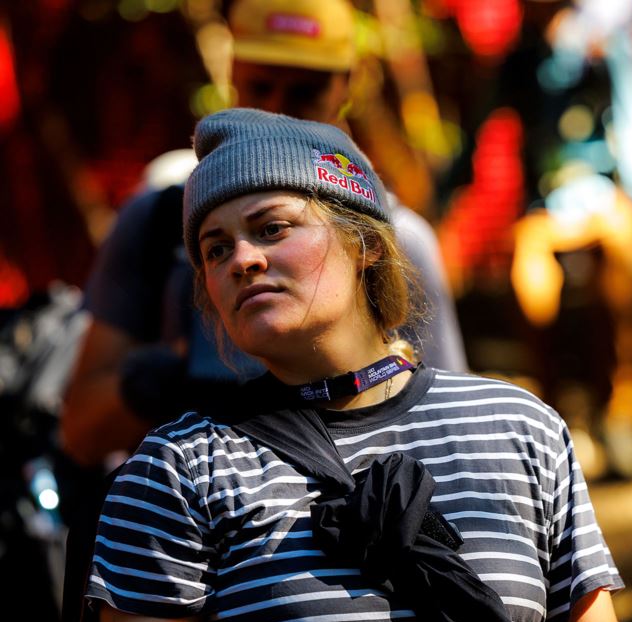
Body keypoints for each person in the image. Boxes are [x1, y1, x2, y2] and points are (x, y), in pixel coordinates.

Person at [85, 108, 632, 622]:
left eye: (272, 228)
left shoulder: (518, 427)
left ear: (366, 245)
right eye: (214, 248)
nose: (241, 259)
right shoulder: (176, 473)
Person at [59, 0, 466, 469]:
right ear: (231, 73)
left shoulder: (401, 238)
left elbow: (444, 434)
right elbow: (81, 430)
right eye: (215, 251)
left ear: (366, 249)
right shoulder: (158, 222)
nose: (277, 112)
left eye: (303, 93)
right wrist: (165, 379)